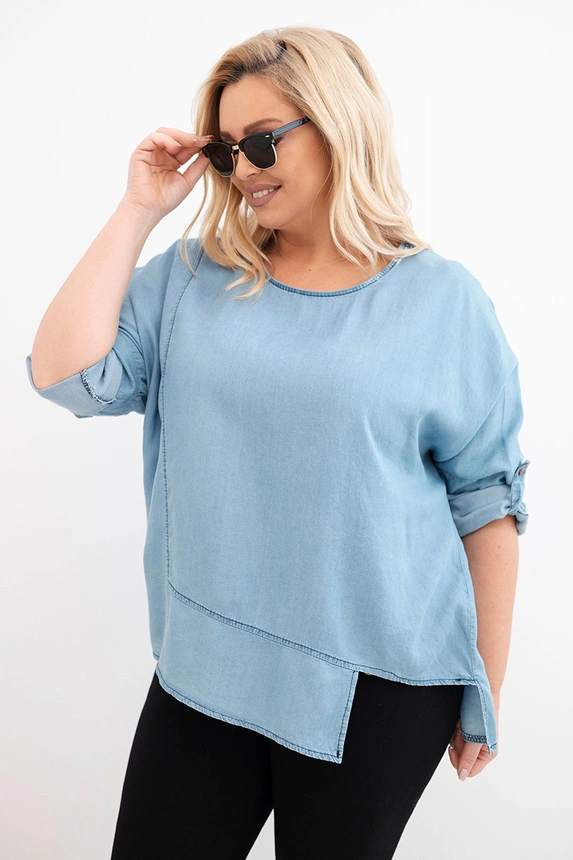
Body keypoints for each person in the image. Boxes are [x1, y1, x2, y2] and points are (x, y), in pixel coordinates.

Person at [25, 25, 530, 860]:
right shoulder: (193, 278)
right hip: (209, 664)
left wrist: (487, 685)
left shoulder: (442, 303)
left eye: (263, 141)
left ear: (337, 125)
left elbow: (486, 505)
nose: (244, 169)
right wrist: (139, 208)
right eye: (227, 151)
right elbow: (64, 374)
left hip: (379, 683)